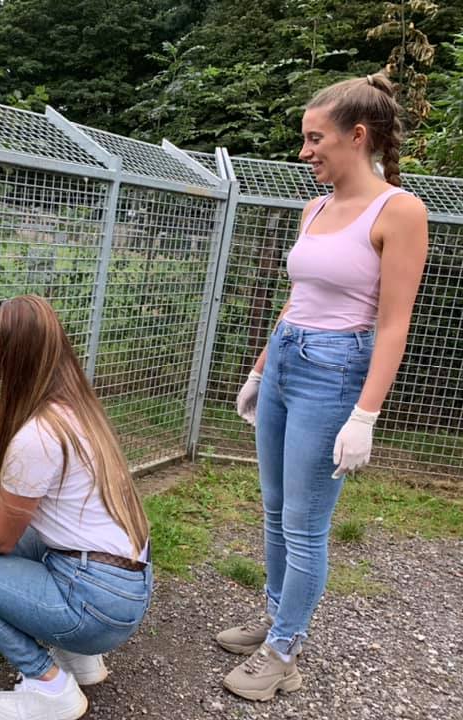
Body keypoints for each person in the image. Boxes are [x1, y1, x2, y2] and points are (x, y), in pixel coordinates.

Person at [220, 72, 429, 701]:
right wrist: (261, 368)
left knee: (305, 523)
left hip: (336, 371)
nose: (305, 151)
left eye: (315, 139)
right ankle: (276, 618)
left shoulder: (399, 211)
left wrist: (364, 416)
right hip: (288, 358)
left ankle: (284, 651)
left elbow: (394, 323)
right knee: (274, 508)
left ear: (357, 136)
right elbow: (298, 297)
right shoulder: (314, 207)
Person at [0, 295, 153, 720]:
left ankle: (48, 685)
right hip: (124, 587)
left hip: (95, 606)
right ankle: (80, 659)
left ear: (14, 357)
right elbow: (21, 470)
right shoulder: (74, 408)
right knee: (30, 532)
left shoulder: (36, 434)